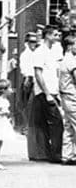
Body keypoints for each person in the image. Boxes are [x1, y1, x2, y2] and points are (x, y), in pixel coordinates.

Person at [29, 25, 64, 162]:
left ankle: (46, 153)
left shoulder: (52, 51)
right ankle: (55, 154)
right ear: (48, 35)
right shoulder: (40, 51)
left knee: (46, 123)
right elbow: (38, 73)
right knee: (56, 123)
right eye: (55, 35)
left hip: (52, 91)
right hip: (45, 92)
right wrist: (47, 93)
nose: (57, 37)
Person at [16, 30, 40, 135]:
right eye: (31, 42)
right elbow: (25, 69)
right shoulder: (25, 54)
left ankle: (30, 126)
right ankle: (26, 126)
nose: (33, 44)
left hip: (35, 80)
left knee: (32, 105)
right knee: (25, 104)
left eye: (35, 42)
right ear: (27, 42)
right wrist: (27, 78)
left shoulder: (35, 53)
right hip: (29, 79)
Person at [57, 33, 76, 165]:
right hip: (72, 96)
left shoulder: (63, 60)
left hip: (65, 95)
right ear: (70, 46)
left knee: (68, 127)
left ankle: (67, 155)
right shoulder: (72, 61)